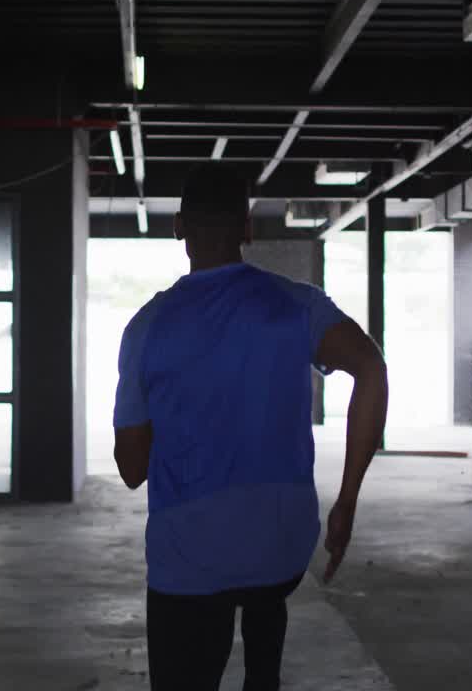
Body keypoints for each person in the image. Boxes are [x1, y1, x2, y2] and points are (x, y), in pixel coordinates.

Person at [112, 163, 389, 691]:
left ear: (178, 227)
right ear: (246, 229)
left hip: (188, 557)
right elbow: (371, 370)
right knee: (264, 608)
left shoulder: (147, 327)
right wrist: (347, 499)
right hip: (280, 547)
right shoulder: (297, 305)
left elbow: (131, 470)